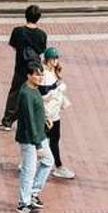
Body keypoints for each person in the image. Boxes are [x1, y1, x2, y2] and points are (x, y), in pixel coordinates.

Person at [13, 58, 55, 213]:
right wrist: (38, 145)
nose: (40, 78)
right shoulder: (25, 94)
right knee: (28, 170)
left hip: (39, 134)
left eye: (41, 75)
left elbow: (38, 108)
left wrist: (45, 119)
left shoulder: (34, 89)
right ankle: (23, 202)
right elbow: (30, 119)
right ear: (29, 76)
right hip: (30, 139)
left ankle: (33, 192)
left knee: (48, 162)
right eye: (37, 75)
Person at [1, 6, 47, 128]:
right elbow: (41, 51)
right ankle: (37, 120)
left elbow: (14, 46)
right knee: (36, 93)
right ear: (38, 18)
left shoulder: (17, 31)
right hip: (34, 69)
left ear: (26, 15)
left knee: (15, 94)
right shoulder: (42, 34)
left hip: (21, 68)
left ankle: (7, 121)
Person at [36, 47, 72, 179]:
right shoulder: (44, 74)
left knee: (54, 139)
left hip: (55, 113)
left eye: (56, 58)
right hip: (47, 113)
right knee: (43, 140)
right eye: (53, 59)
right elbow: (43, 93)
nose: (55, 61)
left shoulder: (54, 72)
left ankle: (57, 165)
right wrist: (57, 89)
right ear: (47, 59)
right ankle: (56, 165)